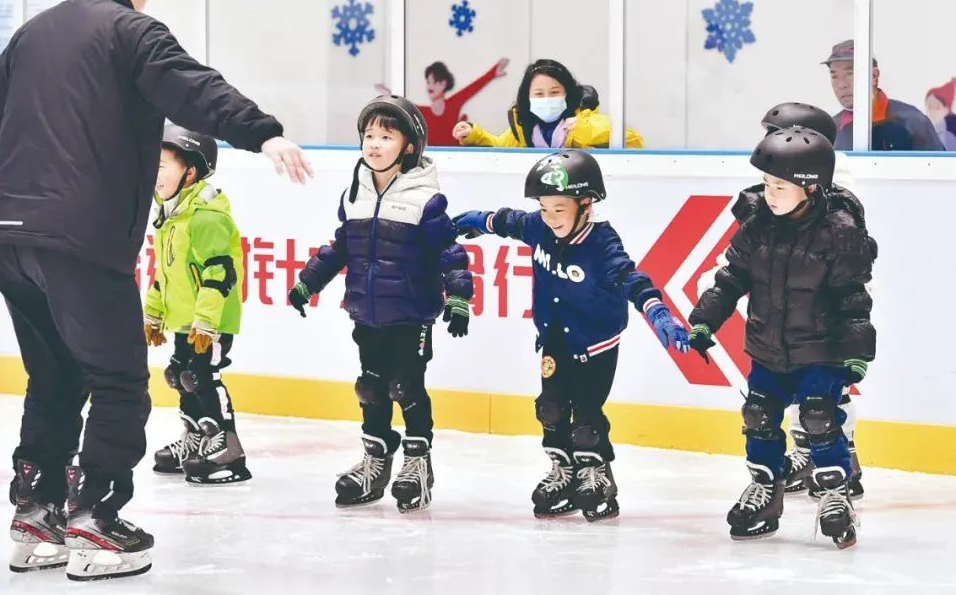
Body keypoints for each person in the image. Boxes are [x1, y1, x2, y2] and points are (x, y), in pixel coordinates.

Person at [0, 0, 312, 581]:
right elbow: (195, 88)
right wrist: (263, 133)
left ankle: (37, 512)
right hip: (81, 239)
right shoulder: (133, 32)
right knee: (119, 379)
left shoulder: (32, 33)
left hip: (8, 236)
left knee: (55, 376)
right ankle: (97, 518)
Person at [453, 151, 690, 521]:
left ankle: (596, 472)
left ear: (586, 205)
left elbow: (629, 277)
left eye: (559, 210)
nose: (550, 218)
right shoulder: (540, 227)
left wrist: (656, 311)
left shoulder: (601, 243)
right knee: (550, 408)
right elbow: (511, 222)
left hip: (594, 342)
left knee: (586, 413)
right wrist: (481, 222)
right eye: (544, 209)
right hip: (553, 339)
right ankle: (562, 469)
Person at [688, 127, 876, 549]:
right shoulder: (757, 226)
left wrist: (858, 352)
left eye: (780, 186)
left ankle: (833, 492)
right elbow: (730, 279)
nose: (769, 194)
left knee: (818, 417)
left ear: (810, 187)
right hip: (768, 347)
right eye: (767, 185)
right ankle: (765, 491)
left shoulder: (839, 232)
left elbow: (853, 298)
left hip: (821, 351)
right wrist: (704, 321)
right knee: (759, 414)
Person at [286, 96, 473, 513]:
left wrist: (459, 296)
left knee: (405, 386)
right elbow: (341, 247)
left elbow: (449, 251)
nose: (373, 144)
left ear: (408, 146)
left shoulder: (426, 200)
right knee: (371, 387)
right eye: (369, 135)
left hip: (411, 313)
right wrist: (307, 281)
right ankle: (375, 461)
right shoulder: (354, 194)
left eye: (386, 136)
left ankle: (417, 463)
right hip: (367, 310)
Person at [145, 124, 250, 485]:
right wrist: (154, 313)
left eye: (161, 165)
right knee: (180, 375)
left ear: (190, 170)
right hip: (184, 318)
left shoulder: (206, 215)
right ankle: (196, 439)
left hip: (211, 320)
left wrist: (206, 323)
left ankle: (228, 444)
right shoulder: (171, 214)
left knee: (201, 376)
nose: (153, 172)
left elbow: (218, 274)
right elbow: (166, 272)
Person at [452, 59, 645, 149]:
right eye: (538, 94)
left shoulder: (586, 119)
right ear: (527, 98)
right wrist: (473, 133)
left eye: (554, 93)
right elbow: (499, 147)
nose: (546, 99)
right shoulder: (523, 127)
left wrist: (583, 131)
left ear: (567, 93)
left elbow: (633, 141)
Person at [822, 39, 942, 151]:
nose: (842, 84)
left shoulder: (911, 121)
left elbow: (941, 169)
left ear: (874, 76)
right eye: (834, 76)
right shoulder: (830, 130)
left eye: (850, 73)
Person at [375, 58, 509, 146]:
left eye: (435, 82)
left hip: (456, 159)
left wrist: (493, 73)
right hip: (436, 163)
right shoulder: (422, 112)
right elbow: (402, 105)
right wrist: (388, 95)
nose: (430, 86)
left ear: (444, 83)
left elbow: (472, 88)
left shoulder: (453, 104)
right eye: (428, 82)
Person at [924, 80, 956, 151]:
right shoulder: (919, 131)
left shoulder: (949, 138)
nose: (932, 111)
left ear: (946, 110)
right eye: (929, 106)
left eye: (937, 107)